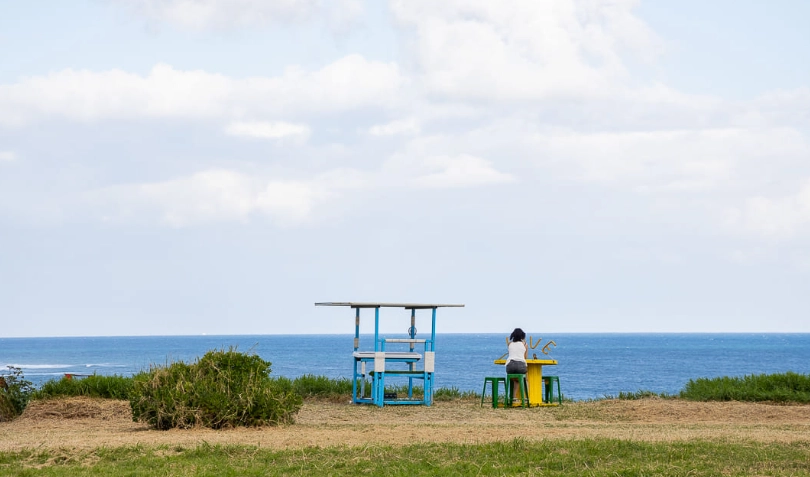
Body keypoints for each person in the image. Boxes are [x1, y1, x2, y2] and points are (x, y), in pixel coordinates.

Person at [505, 328, 528, 402]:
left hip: (510, 366)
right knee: (525, 379)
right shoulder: (524, 344)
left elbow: (511, 354)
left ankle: (514, 398)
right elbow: (525, 357)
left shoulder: (510, 344)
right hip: (521, 365)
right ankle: (526, 397)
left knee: (516, 380)